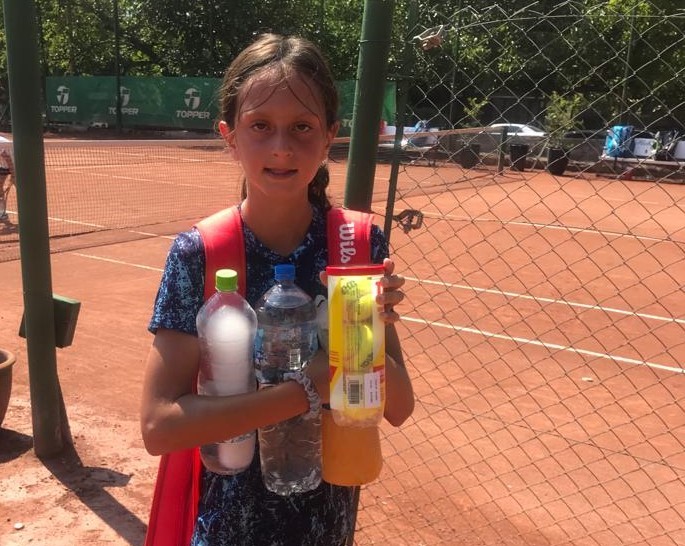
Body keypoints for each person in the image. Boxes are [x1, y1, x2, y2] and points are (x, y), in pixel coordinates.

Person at [140, 33, 415, 546]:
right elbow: (160, 426)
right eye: (260, 126)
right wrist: (304, 389)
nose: (282, 147)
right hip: (226, 526)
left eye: (302, 127)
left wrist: (368, 334)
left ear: (330, 132)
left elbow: (396, 407)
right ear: (229, 136)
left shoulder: (355, 244)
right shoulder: (198, 253)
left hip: (325, 525)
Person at [0, 135, 14, 221]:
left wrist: (14, 175)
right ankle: (2, 212)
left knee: (21, 190)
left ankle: (31, 210)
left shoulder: (2, 143)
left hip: (15, 165)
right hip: (3, 165)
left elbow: (8, 159)